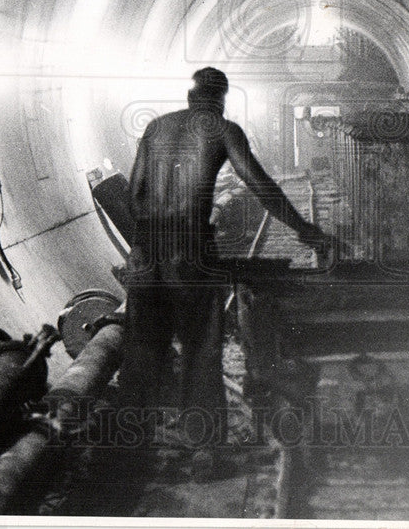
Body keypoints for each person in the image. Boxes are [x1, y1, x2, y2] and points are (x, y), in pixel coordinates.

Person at [117, 67, 333, 478]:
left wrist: (146, 247)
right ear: (221, 99)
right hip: (191, 253)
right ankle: (202, 450)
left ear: (189, 95)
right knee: (201, 347)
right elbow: (259, 184)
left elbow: (132, 193)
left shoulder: (155, 129)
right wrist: (305, 230)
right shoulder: (222, 129)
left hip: (146, 253)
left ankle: (128, 449)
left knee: (142, 348)